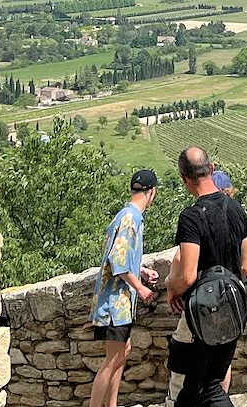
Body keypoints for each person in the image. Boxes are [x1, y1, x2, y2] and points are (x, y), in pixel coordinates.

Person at [164, 147, 247, 407]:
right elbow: (245, 266)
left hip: (201, 315)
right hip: (233, 311)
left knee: (182, 388)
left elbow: (188, 275)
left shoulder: (191, 217)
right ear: (211, 169)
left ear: (184, 179)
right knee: (214, 385)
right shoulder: (237, 209)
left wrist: (171, 287)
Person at [89, 170, 161, 407]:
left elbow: (118, 256)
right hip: (115, 304)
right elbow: (117, 263)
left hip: (117, 304)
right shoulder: (131, 218)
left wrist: (140, 270)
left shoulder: (124, 216)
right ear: (152, 193)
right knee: (112, 360)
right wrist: (141, 288)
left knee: (123, 352)